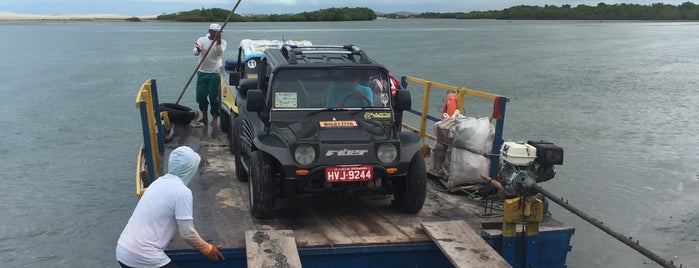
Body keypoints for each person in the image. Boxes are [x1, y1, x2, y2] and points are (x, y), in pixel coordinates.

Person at [116, 146, 224, 267]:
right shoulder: (182, 192)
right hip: (143, 254)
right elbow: (187, 232)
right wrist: (207, 248)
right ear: (190, 169)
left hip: (123, 250)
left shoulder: (157, 183)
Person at [193, 23, 227, 127]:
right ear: (210, 31)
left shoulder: (223, 42)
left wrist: (218, 41)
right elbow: (195, 53)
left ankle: (215, 117)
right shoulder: (202, 40)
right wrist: (198, 49)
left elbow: (219, 53)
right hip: (202, 72)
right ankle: (204, 117)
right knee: (201, 96)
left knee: (214, 97)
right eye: (215, 32)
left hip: (215, 72)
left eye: (219, 32)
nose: (217, 34)